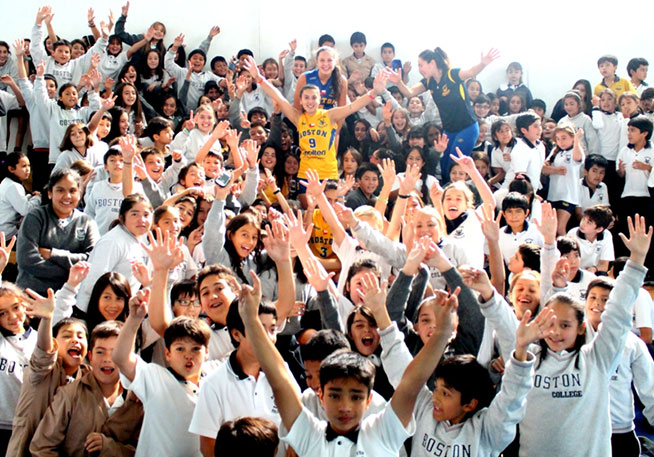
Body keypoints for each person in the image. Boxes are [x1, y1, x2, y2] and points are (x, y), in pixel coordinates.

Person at [464, 213, 651, 457]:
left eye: (565, 325)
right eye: (551, 323)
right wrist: (488, 291)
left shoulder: (597, 359)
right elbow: (505, 321)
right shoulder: (528, 356)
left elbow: (617, 313)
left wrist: (636, 260)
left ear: (581, 327)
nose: (555, 332)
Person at [238, 267, 453, 456]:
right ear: (320, 395)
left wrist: (443, 332)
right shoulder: (309, 435)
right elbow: (279, 378)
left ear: (369, 400)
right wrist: (251, 320)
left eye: (356, 396)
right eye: (335, 395)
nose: (345, 407)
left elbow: (412, 383)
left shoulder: (384, 432)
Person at [243, 55, 388, 208]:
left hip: (328, 173)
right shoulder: (298, 117)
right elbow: (277, 96)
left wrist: (375, 92)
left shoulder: (330, 115)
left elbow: (354, 106)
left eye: (314, 98)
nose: (310, 101)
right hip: (306, 173)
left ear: (320, 100)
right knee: (309, 213)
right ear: (300, 100)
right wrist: (259, 78)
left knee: (330, 214)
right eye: (306, 98)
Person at [113, 290, 211, 457]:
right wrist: (134, 319)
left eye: (196, 348)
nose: (188, 355)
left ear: (207, 352)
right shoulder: (155, 377)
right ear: (168, 354)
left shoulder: (213, 386)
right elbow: (121, 358)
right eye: (180, 349)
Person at [29, 321, 143, 457]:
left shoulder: (139, 401)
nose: (107, 359)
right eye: (100, 352)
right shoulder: (69, 395)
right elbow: (41, 448)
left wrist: (108, 447)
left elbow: (143, 451)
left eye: (115, 353)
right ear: (90, 357)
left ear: (128, 358)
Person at [388, 47, 500, 180]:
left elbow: (470, 72)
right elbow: (409, 92)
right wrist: (398, 82)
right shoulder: (429, 82)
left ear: (432, 63)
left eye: (421, 65)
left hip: (467, 127)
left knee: (455, 164)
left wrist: (483, 63)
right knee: (444, 167)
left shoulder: (451, 75)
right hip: (449, 130)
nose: (419, 69)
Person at [16, 169, 98, 295]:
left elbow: (93, 259)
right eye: (60, 190)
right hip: (31, 295)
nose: (67, 196)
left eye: (72, 191)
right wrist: (73, 272)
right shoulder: (35, 217)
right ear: (50, 193)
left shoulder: (87, 222)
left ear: (80, 193)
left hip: (70, 297)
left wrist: (53, 254)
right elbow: (27, 260)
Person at [75, 194, 153, 314]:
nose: (141, 220)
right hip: (96, 313)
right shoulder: (112, 241)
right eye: (134, 214)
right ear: (122, 217)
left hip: (118, 312)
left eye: (146, 215)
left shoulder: (136, 240)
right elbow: (93, 282)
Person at [542, 124, 585, 234]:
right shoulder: (556, 152)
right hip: (553, 195)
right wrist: (555, 170)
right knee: (551, 229)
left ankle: (566, 250)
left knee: (560, 228)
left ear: (572, 137)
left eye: (564, 138)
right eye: (558, 138)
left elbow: (577, 158)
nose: (561, 142)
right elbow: (543, 169)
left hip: (567, 196)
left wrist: (577, 140)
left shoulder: (576, 150)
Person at [0, 152, 41, 238]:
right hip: (7, 234)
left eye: (29, 166)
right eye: (23, 166)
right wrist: (38, 198)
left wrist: (31, 197)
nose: (28, 169)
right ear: (11, 169)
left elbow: (19, 201)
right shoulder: (13, 186)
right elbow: (25, 209)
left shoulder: (7, 182)